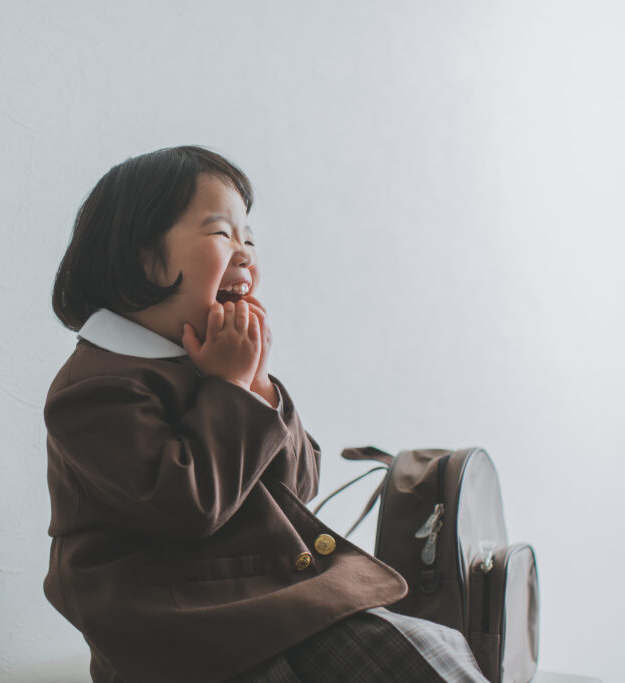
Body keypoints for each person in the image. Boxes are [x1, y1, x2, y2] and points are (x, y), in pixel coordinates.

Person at [43, 145, 487, 682]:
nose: (245, 254)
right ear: (143, 258)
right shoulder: (94, 388)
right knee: (396, 654)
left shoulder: (209, 363)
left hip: (265, 607)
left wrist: (258, 387)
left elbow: (299, 484)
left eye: (249, 237)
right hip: (180, 636)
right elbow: (186, 504)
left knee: (427, 649)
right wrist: (231, 388)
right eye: (221, 232)